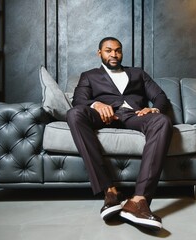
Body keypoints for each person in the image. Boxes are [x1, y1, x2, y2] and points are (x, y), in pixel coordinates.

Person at [66, 37, 173, 231]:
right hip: (104, 115)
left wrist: (154, 109)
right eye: (108, 51)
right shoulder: (89, 76)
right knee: (74, 114)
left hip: (134, 115)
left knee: (163, 120)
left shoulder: (138, 73)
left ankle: (138, 201)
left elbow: (159, 96)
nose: (114, 54)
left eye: (117, 50)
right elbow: (78, 100)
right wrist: (96, 104)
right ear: (100, 53)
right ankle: (110, 191)